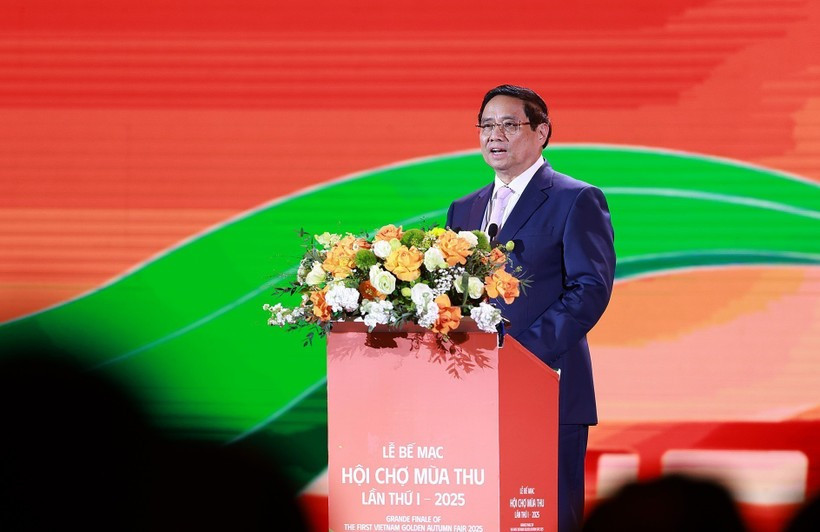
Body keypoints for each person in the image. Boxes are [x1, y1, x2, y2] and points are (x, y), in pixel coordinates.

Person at [446, 84, 616, 532]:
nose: (493, 135)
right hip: (473, 391)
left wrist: (520, 355)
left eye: (508, 124)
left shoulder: (575, 198)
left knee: (546, 517)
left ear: (542, 132)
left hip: (547, 383)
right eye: (486, 125)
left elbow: (589, 289)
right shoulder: (464, 209)